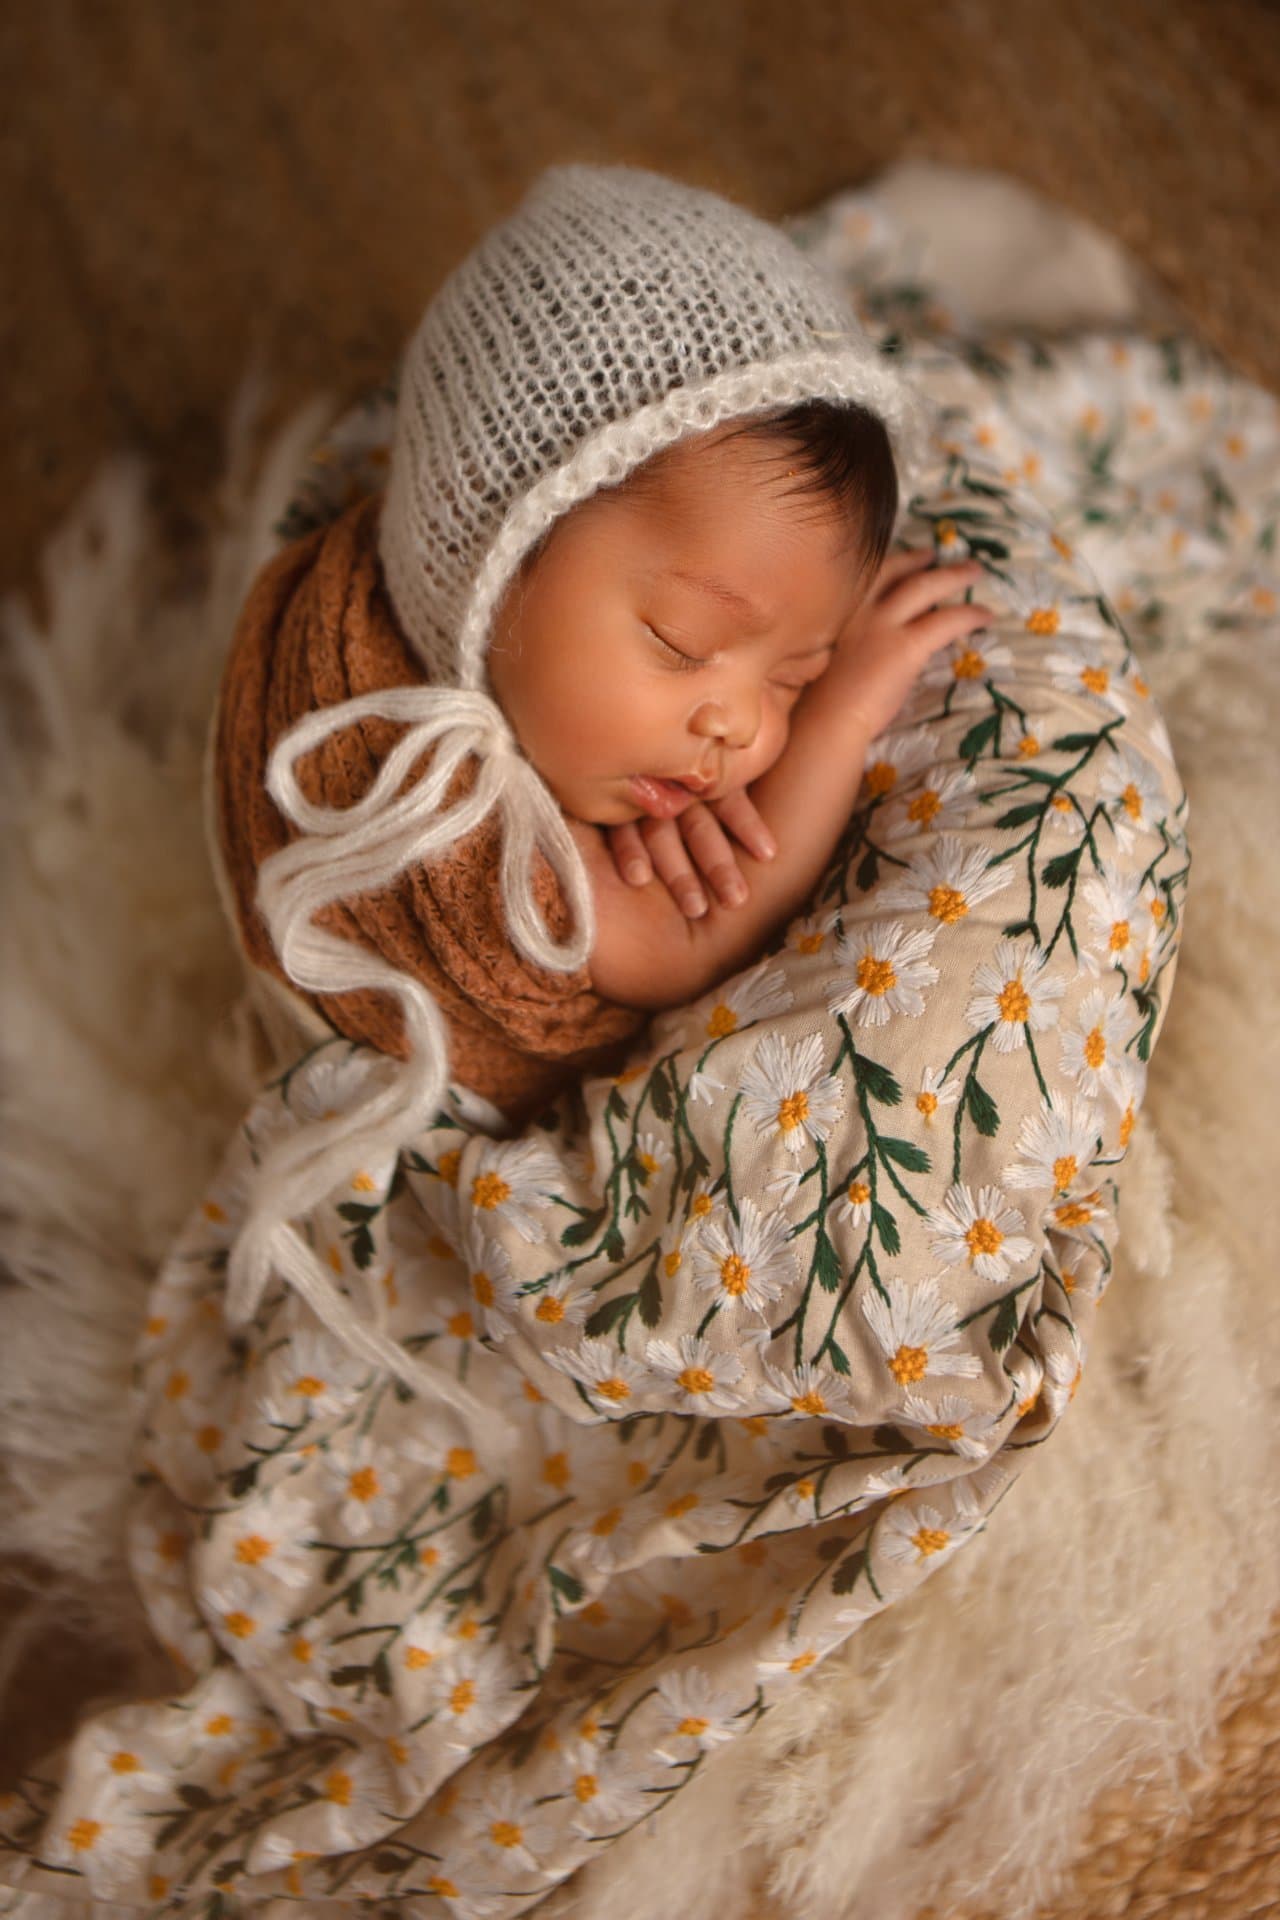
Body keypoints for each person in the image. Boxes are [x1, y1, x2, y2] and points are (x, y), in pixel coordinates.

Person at [210, 159, 989, 1391]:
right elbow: (692, 945)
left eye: (794, 674)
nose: (736, 726)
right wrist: (842, 716)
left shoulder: (468, 627)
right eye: (682, 645)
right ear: (490, 560)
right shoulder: (445, 817)